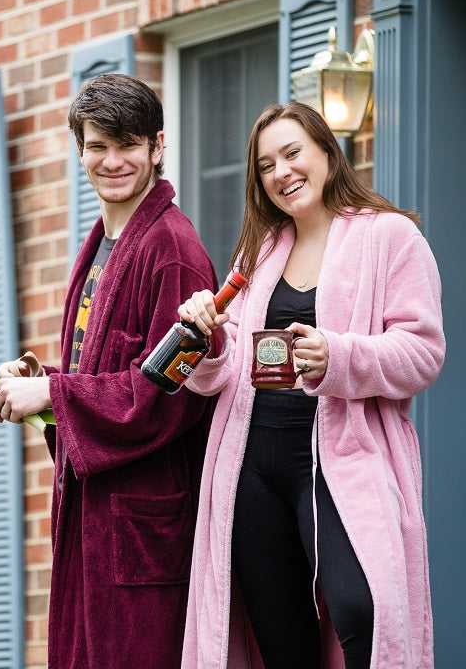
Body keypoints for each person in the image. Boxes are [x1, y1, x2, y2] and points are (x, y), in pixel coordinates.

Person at [176, 102, 445, 669]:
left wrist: (339, 356)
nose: (281, 172)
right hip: (250, 468)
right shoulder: (259, 253)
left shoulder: (390, 237)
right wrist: (207, 339)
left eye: (293, 152)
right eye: (266, 164)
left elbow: (423, 353)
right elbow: (223, 376)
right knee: (281, 640)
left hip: (341, 457)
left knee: (366, 612)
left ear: (326, 151)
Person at [0, 73, 217, 669]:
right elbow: (113, 366)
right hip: (96, 519)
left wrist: (54, 395)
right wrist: (44, 378)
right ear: (79, 149)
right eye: (97, 146)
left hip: (142, 529)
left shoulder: (174, 251)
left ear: (157, 146)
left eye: (128, 144)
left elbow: (168, 391)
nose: (113, 161)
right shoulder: (103, 243)